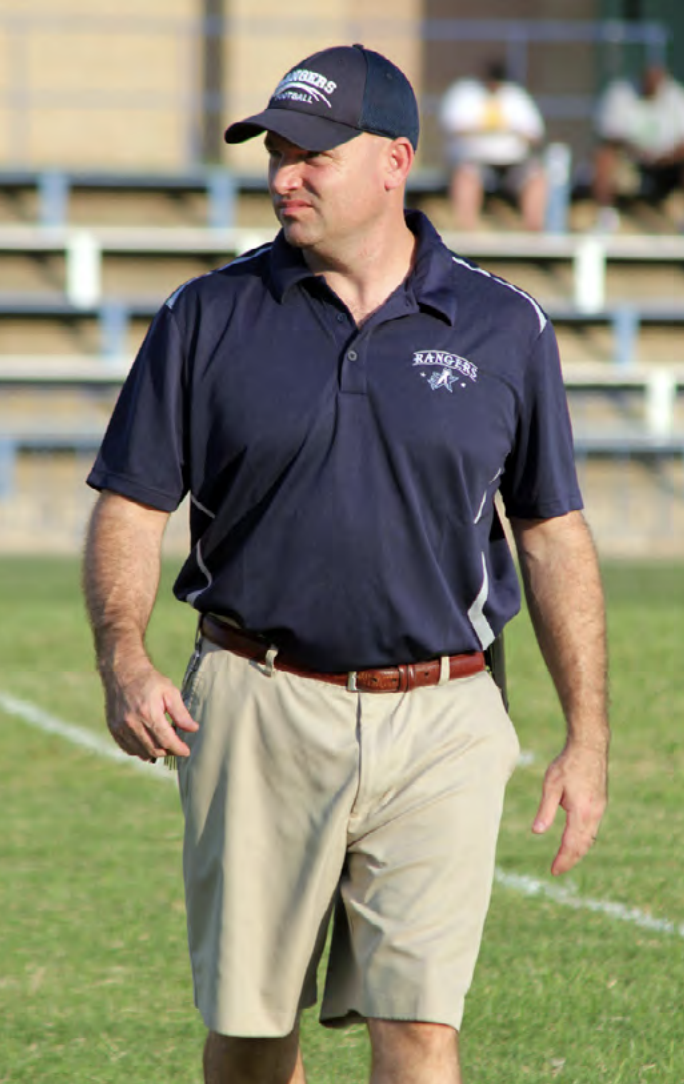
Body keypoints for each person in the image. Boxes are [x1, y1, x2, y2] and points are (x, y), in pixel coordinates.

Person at [82, 43, 609, 1084]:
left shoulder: (504, 326)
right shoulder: (206, 316)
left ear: (396, 160)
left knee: (419, 1029)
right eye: (279, 149)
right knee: (250, 1033)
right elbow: (132, 508)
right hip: (256, 701)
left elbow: (552, 532)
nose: (286, 173)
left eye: (314, 151)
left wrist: (586, 736)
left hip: (445, 716)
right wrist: (122, 659)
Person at [439, 59, 548, 231]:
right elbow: (454, 128)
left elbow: (534, 134)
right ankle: (466, 231)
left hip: (513, 162)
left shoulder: (516, 96)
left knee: (536, 176)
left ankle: (533, 231)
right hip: (475, 160)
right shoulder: (465, 93)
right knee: (466, 176)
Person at [593, 64, 684, 231]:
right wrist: (639, 152)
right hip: (631, 162)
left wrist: (664, 157)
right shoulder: (621, 93)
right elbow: (611, 137)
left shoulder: (676, 96)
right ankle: (606, 215)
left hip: (667, 165)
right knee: (604, 156)